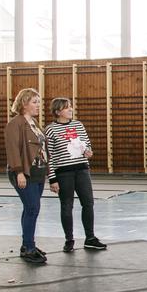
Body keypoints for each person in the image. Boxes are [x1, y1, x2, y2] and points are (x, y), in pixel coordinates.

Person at [45, 98, 107, 253]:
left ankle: (90, 238)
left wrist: (88, 152)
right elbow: (49, 157)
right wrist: (52, 179)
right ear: (58, 112)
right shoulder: (51, 130)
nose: (70, 110)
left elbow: (87, 144)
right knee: (67, 206)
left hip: (82, 170)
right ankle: (69, 239)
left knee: (88, 203)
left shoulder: (78, 125)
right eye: (67, 108)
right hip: (64, 172)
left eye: (71, 107)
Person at [5, 88, 48, 264]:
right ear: (24, 103)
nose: (38, 105)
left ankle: (27, 244)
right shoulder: (15, 124)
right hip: (24, 173)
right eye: (34, 102)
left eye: (38, 102)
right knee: (32, 208)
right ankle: (29, 248)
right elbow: (13, 150)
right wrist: (19, 172)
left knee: (31, 209)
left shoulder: (34, 123)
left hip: (38, 172)